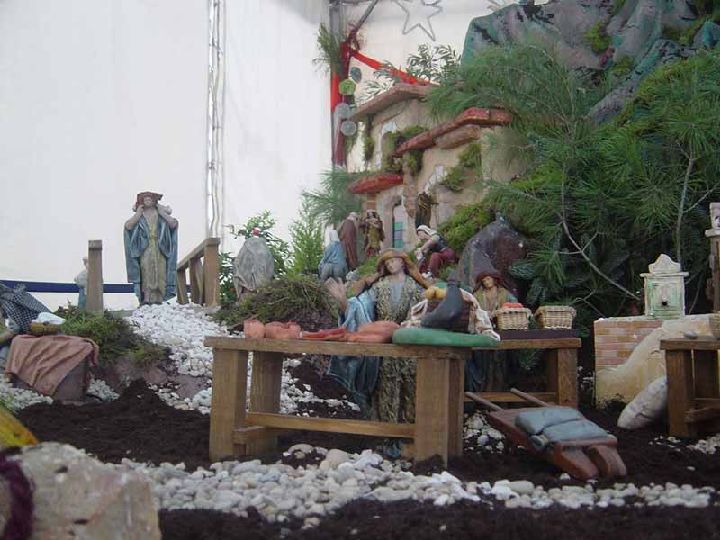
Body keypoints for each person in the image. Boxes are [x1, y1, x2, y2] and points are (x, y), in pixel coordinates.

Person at [326, 249, 430, 430]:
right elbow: (360, 307)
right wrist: (344, 303)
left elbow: (424, 312)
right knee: (385, 390)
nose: (390, 264)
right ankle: (386, 433)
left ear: (403, 262)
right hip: (384, 348)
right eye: (387, 263)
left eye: (393, 261)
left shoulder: (416, 287)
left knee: (412, 391)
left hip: (409, 348)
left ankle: (412, 432)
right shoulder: (379, 287)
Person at [467, 268, 519, 392]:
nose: (486, 282)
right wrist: (486, 314)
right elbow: (473, 309)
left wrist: (505, 309)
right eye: (484, 281)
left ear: (494, 280)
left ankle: (501, 389)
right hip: (483, 330)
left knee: (501, 362)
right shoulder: (477, 295)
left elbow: (516, 305)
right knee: (484, 362)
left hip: (502, 330)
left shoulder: (504, 293)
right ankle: (484, 390)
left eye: (488, 279)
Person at [124, 191, 178, 304]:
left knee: (161, 270)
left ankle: (160, 297)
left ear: (154, 201)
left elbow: (173, 224)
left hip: (160, 247)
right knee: (146, 271)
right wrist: (138, 214)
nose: (148, 201)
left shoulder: (160, 214)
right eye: (145, 199)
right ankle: (147, 297)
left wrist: (162, 212)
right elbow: (128, 226)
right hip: (145, 247)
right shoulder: (141, 215)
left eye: (150, 199)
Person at [232, 227, 275, 298]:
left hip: (248, 292)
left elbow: (237, 265)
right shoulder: (265, 251)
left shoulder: (246, 249)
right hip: (261, 292)